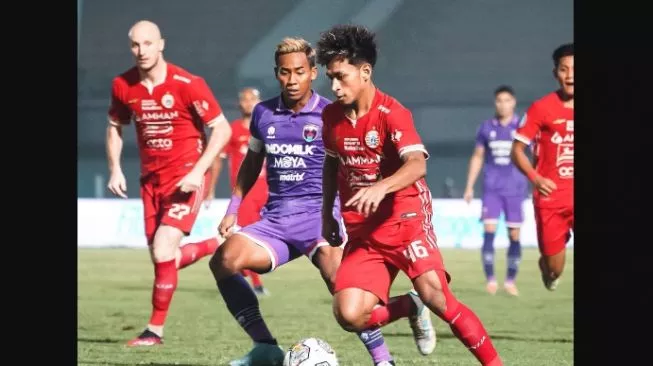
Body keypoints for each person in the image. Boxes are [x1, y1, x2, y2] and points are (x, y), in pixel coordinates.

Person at [208, 37, 407, 366]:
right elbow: (252, 163)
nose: (292, 79)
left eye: (300, 71)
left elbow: (357, 159)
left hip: (319, 216)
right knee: (223, 260)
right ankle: (265, 347)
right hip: (276, 221)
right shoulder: (263, 113)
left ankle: (384, 357)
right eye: (285, 72)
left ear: (313, 72)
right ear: (277, 74)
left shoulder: (332, 113)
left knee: (342, 288)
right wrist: (233, 209)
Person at [318, 24, 502, 366]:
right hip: (364, 232)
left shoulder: (393, 113)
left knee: (437, 296)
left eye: (341, 76)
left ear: (365, 71)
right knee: (349, 315)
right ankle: (407, 306)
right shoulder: (330, 116)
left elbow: (417, 165)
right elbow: (331, 164)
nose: (334, 86)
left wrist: (381, 186)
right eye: (330, 77)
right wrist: (326, 212)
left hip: (406, 220)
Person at [106, 20, 232, 346]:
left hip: (184, 178)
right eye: (135, 45)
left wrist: (197, 172)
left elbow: (222, 130)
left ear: (161, 44)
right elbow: (114, 127)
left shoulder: (188, 83)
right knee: (165, 260)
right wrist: (115, 169)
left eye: (147, 44)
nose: (141, 51)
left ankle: (154, 331)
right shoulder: (123, 84)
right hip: (150, 181)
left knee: (164, 249)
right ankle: (212, 245)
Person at [511, 43, 574, 291]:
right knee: (554, 269)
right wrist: (536, 179)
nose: (570, 76)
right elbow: (516, 150)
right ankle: (547, 268)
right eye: (564, 69)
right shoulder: (542, 108)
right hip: (552, 199)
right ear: (555, 73)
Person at [205, 87, 270, 296]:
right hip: (246, 194)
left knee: (263, 240)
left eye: (253, 99)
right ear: (239, 104)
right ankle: (256, 284)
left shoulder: (268, 129)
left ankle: (240, 272)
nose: (249, 102)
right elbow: (217, 161)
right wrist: (210, 189)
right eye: (245, 99)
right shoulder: (232, 130)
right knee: (246, 237)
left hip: (269, 194)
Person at [463, 85, 527, 296]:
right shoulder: (486, 128)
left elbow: (535, 155)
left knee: (514, 234)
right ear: (495, 103)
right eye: (499, 101)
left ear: (513, 102)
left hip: (515, 189)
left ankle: (510, 280)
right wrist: (470, 186)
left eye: (507, 100)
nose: (503, 105)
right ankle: (491, 280)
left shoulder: (522, 127)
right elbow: (478, 156)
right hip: (492, 189)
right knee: (489, 231)